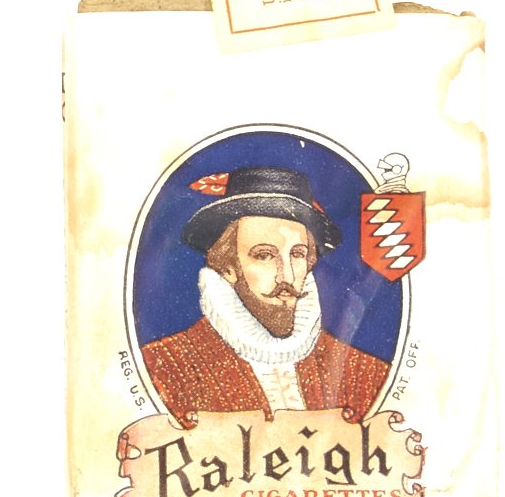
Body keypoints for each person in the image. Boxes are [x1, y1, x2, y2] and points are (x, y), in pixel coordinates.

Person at [140, 165, 389, 425]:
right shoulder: (164, 368)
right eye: (265, 255)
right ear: (228, 267)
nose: (286, 276)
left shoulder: (364, 374)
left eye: (298, 254)